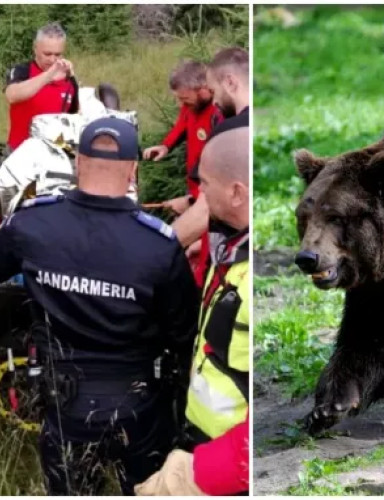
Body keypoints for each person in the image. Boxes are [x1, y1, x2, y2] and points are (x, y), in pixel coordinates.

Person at [0, 117, 199, 495]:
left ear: (78, 164)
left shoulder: (31, 224)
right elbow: (184, 331)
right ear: (133, 170)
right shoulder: (157, 245)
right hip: (139, 410)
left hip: (64, 410)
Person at [135, 126, 249, 496]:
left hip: (224, 467)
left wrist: (194, 475)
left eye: (204, 188)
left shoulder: (250, 279)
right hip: (200, 438)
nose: (198, 198)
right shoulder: (231, 248)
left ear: (236, 192)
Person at [173, 48, 250, 287]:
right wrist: (201, 242)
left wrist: (156, 248)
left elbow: (205, 208)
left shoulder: (228, 132)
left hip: (232, 272)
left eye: (215, 92)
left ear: (230, 82)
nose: (214, 101)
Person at [142, 61, 222, 212]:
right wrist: (165, 146)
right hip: (193, 186)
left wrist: (191, 202)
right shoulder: (190, 106)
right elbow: (181, 125)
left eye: (184, 99)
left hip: (209, 190)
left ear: (203, 89)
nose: (181, 104)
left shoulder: (218, 113)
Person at [4, 22, 79, 153]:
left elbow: (74, 117)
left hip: (55, 152)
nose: (52, 60)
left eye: (58, 54)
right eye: (47, 54)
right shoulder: (22, 70)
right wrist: (48, 76)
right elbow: (12, 95)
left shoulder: (68, 79)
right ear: (35, 48)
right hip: (19, 152)